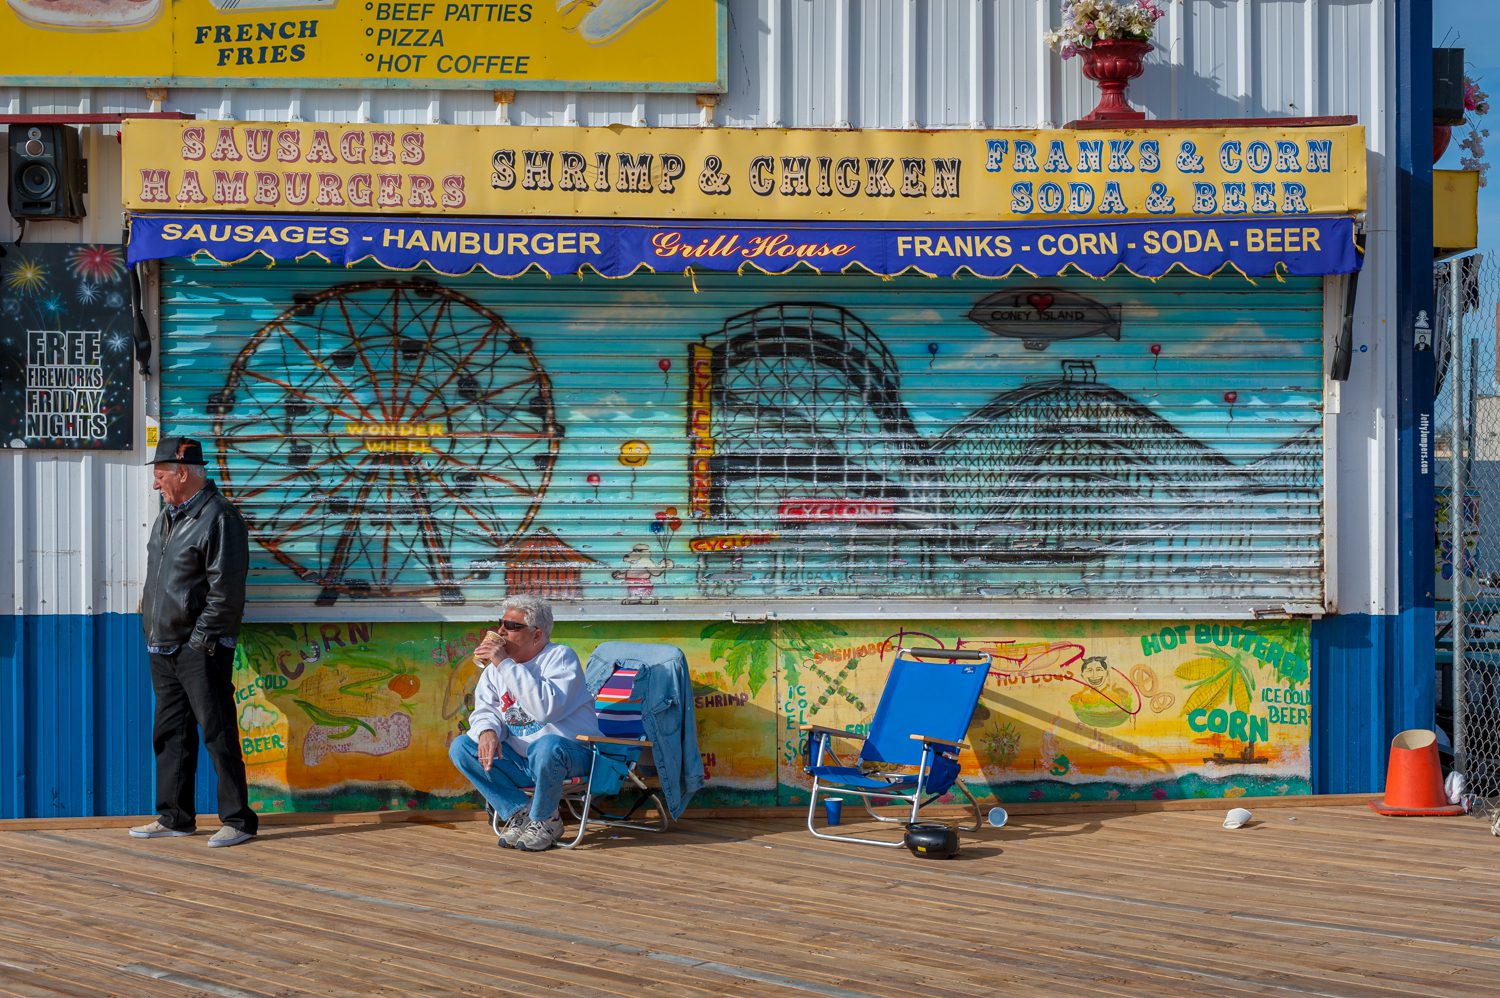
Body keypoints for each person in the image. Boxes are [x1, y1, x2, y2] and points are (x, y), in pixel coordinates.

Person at [130, 436, 257, 848]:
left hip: (199, 648)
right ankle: (174, 817)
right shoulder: (168, 516)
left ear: (182, 473)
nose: (156, 484)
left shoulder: (220, 517)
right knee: (170, 735)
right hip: (162, 645)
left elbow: (227, 592)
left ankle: (238, 821)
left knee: (218, 734)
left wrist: (201, 641)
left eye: (161, 475)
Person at [448, 595, 601, 852]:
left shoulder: (560, 658)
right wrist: (487, 731)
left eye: (511, 626)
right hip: (525, 761)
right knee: (462, 746)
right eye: (501, 624)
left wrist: (505, 664)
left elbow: (544, 709)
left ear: (537, 635)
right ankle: (521, 811)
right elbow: (485, 709)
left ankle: (544, 820)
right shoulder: (495, 670)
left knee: (547, 745)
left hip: (572, 756)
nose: (501, 632)